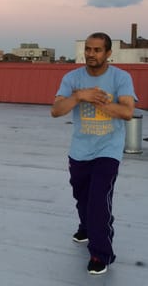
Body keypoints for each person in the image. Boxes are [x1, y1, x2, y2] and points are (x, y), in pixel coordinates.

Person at [51, 32, 137, 275]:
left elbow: (128, 111)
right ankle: (87, 227)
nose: (91, 54)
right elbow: (56, 111)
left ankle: (101, 254)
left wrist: (100, 102)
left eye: (97, 50)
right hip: (80, 150)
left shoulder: (121, 78)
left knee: (99, 200)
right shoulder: (72, 78)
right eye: (88, 49)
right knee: (82, 195)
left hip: (107, 149)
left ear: (108, 53)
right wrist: (79, 96)